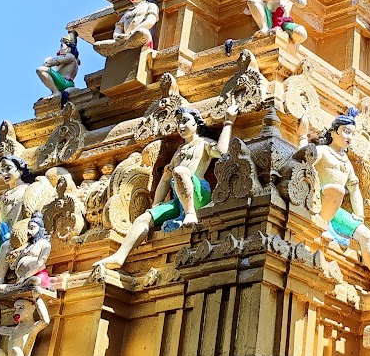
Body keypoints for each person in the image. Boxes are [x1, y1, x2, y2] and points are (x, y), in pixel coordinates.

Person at [95, 103, 237, 270]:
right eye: (178, 122)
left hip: (199, 193)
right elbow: (164, 180)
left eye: (185, 121)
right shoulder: (178, 152)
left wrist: (228, 122)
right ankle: (120, 255)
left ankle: (190, 213)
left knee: (180, 171)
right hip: (179, 199)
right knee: (144, 218)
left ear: (196, 123)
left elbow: (221, 152)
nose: (181, 126)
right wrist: (156, 205)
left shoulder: (203, 143)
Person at [300, 109, 370, 287]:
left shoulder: (346, 162)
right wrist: (301, 137)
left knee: (367, 236)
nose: (349, 137)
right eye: (346, 131)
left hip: (335, 209)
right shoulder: (323, 151)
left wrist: (359, 215)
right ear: (333, 132)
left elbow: (354, 189)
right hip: (318, 202)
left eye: (352, 134)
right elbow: (302, 163)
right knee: (336, 190)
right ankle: (322, 228)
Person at [37, 32, 81, 105]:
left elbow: (51, 62)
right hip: (63, 82)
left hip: (65, 82)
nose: (60, 49)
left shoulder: (70, 56)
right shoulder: (72, 58)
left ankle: (56, 92)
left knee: (41, 69)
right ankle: (56, 92)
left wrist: (47, 61)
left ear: (68, 48)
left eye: (62, 46)